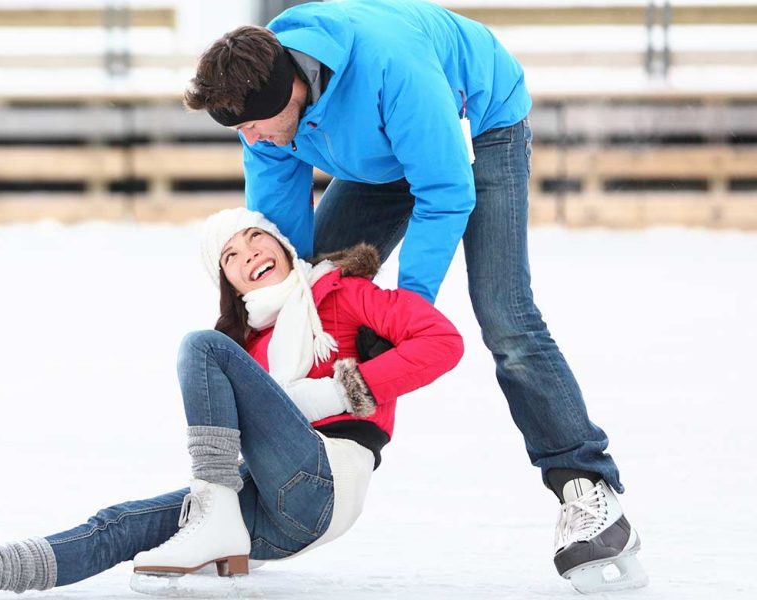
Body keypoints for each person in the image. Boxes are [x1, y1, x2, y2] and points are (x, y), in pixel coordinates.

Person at [183, 0, 647, 592]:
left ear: (290, 90)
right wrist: (284, 302)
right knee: (312, 290)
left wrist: (407, 311)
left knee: (506, 317)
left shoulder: (391, 68)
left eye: (253, 125)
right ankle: (289, 467)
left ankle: (587, 487)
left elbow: (445, 192)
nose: (250, 139)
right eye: (240, 130)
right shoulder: (258, 94)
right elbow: (284, 250)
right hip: (385, 150)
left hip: (480, 125)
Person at [0, 207, 463, 598]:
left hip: (330, 476)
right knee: (121, 523)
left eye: (255, 235)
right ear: (230, 283)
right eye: (230, 256)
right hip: (281, 518)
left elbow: (443, 342)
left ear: (281, 243)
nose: (248, 253)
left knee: (201, 347)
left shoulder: (343, 293)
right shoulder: (247, 351)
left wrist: (340, 390)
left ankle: (214, 515)